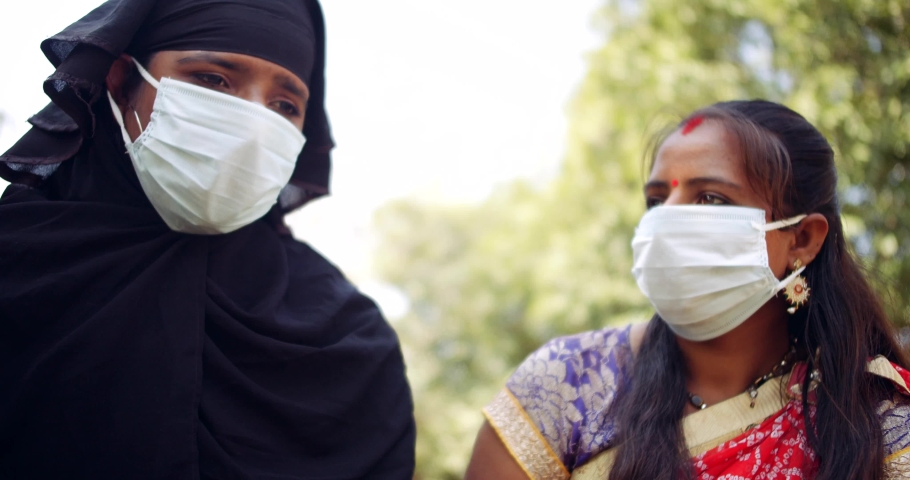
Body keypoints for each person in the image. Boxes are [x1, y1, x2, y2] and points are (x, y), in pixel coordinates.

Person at [0, 1, 415, 478]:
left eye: (285, 106)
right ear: (119, 78)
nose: (252, 129)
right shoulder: (14, 269)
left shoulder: (348, 344)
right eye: (213, 80)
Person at [465, 100, 910, 479]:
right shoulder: (567, 384)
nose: (665, 222)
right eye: (657, 200)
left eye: (711, 198)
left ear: (802, 240)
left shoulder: (872, 419)